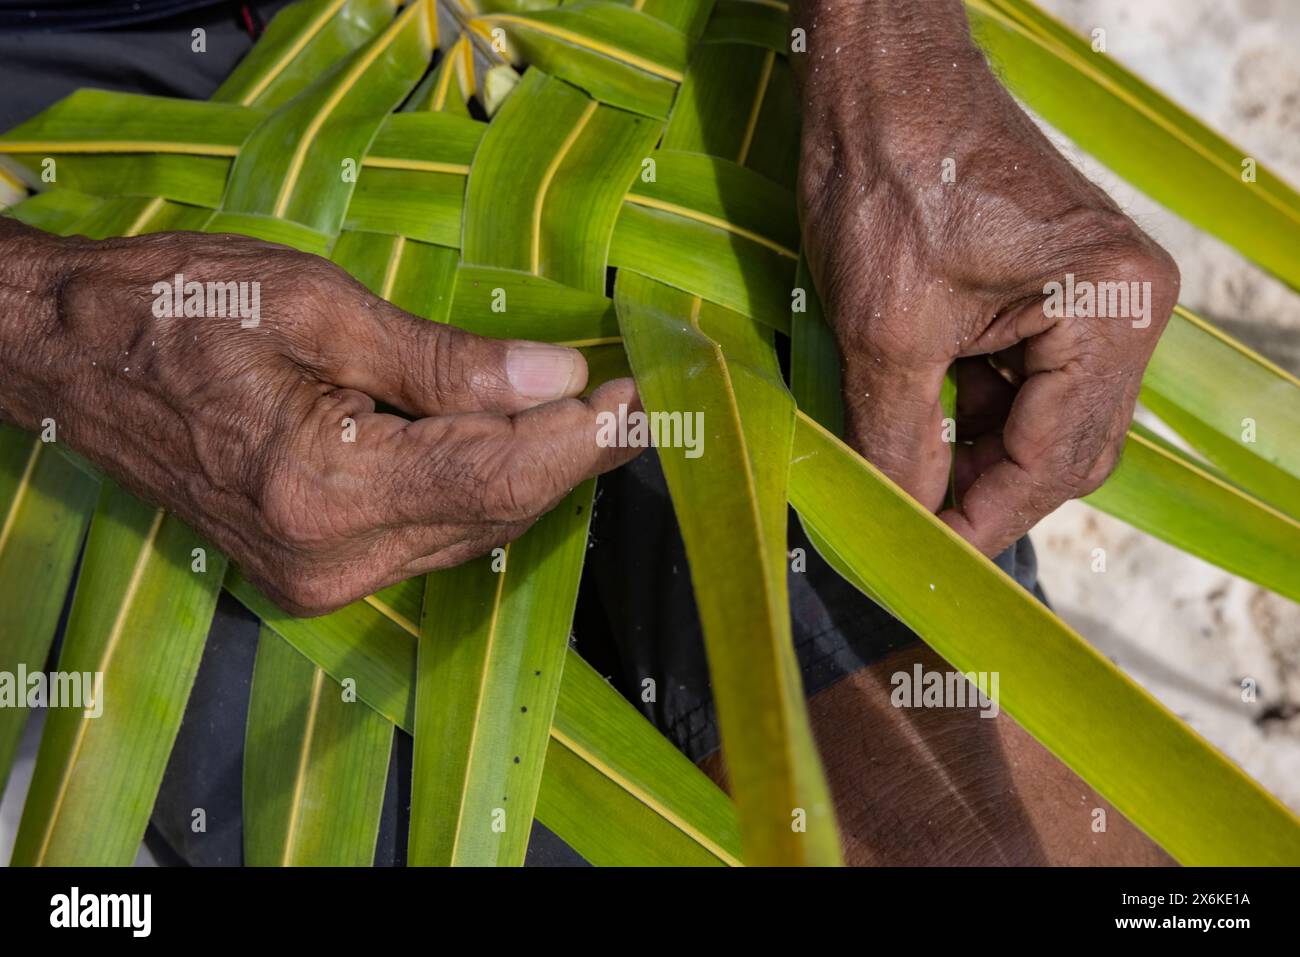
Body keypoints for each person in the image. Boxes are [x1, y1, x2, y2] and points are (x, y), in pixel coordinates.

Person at [0, 0, 1177, 865]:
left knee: (981, 834)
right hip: (53, 164)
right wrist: (52, 322)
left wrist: (893, 48)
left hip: (572, 51)